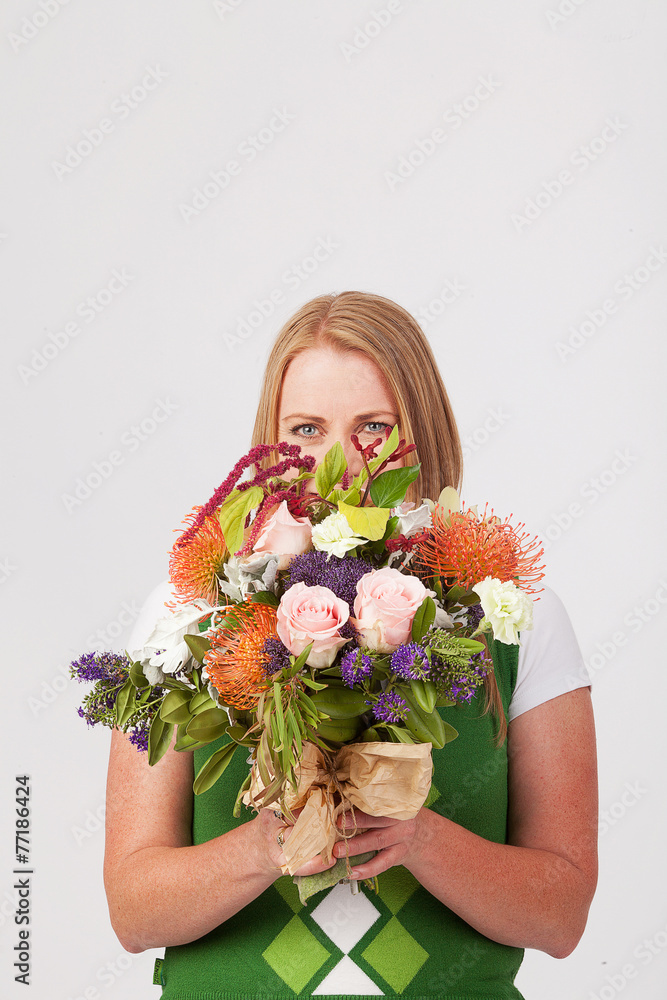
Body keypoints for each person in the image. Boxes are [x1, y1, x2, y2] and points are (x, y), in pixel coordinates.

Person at [103, 290, 597, 999]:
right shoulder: (183, 615)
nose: (336, 462)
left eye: (372, 427)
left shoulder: (517, 617)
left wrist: (417, 839)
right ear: (268, 444)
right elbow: (132, 911)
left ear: (419, 434)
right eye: (304, 429)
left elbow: (561, 915)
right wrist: (270, 844)